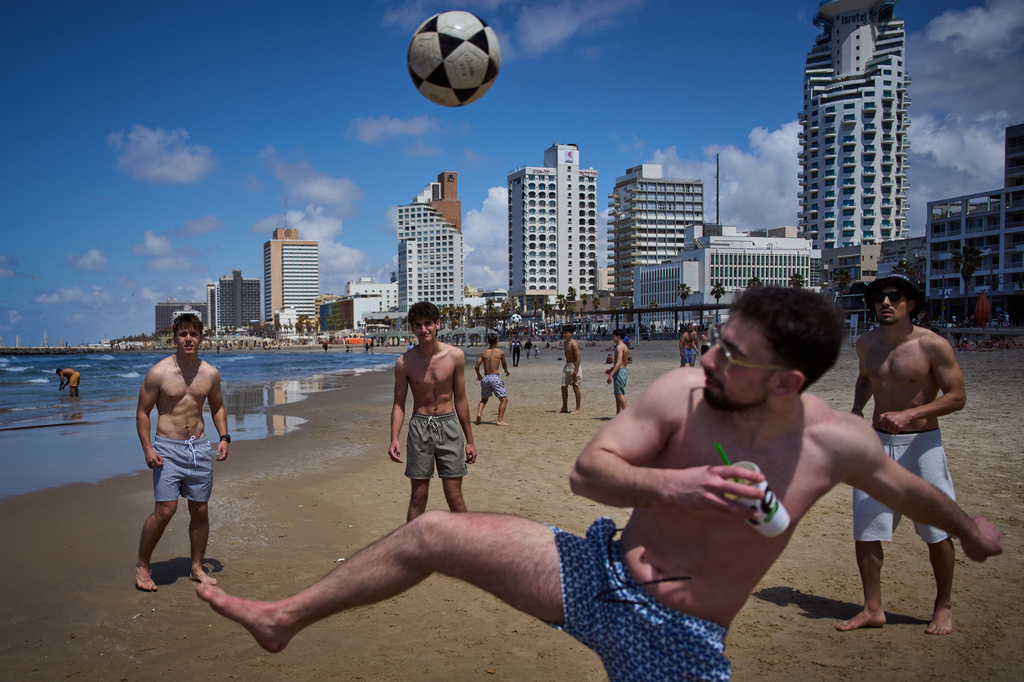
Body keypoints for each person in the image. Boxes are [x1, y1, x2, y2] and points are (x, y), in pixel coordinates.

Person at [196, 287, 1001, 680]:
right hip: (597, 573)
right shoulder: (685, 392)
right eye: (714, 343)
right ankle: (283, 619)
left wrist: (968, 531)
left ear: (789, 383)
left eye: (731, 357)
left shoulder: (840, 443)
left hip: (678, 640)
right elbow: (590, 472)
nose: (708, 361)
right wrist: (680, 489)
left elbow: (910, 492)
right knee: (430, 532)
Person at [837, 273, 968, 635]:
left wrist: (911, 414)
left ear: (910, 303)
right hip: (878, 446)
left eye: (894, 296)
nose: (885, 302)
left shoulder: (933, 345)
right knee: (866, 527)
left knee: (936, 530)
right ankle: (872, 608)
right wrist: (855, 411)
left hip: (922, 446)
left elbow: (957, 396)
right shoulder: (865, 343)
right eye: (879, 297)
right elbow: (866, 380)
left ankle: (943, 606)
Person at [135, 313, 229, 592]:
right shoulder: (159, 373)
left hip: (199, 448)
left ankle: (196, 568)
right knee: (165, 510)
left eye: (194, 334)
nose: (188, 339)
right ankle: (142, 565)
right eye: (182, 334)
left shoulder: (210, 373)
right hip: (167, 449)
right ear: (174, 338)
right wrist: (147, 448)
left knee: (200, 509)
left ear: (201, 338)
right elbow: (142, 412)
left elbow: (217, 407)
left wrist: (224, 437)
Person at [389, 301, 477, 522]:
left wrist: (470, 440)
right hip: (420, 427)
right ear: (412, 328)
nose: (423, 329)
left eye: (428, 323)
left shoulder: (455, 356)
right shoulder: (404, 363)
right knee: (418, 497)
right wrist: (394, 439)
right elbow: (399, 404)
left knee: (454, 497)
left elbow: (461, 399)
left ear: (438, 324)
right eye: (418, 325)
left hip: (450, 425)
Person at [475, 333, 510, 426]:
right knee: (504, 400)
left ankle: (479, 413)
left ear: (488, 342)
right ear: (497, 341)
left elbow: (476, 366)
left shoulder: (484, 353)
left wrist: (479, 375)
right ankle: (500, 420)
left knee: (483, 400)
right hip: (494, 377)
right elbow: (504, 363)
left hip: (485, 378)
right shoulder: (500, 352)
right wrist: (506, 371)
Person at [557, 325, 582, 414]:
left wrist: (575, 371)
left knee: (575, 386)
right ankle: (564, 407)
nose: (564, 334)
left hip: (574, 365)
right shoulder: (565, 343)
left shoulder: (574, 344)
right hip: (567, 365)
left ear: (571, 334)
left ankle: (578, 408)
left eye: (566, 333)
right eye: (563, 333)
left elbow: (578, 358)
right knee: (563, 386)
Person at [605, 329, 630, 414]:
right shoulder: (625, 347)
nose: (613, 338)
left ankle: (626, 415)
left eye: (614, 336)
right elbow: (623, 362)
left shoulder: (619, 347)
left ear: (618, 337)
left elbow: (619, 362)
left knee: (619, 394)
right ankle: (618, 413)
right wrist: (612, 369)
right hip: (622, 370)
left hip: (620, 371)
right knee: (617, 393)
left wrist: (611, 374)